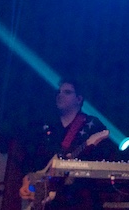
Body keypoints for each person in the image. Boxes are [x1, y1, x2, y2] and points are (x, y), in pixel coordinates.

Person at [19, 79, 113, 209]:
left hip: (78, 199)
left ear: (79, 99)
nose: (60, 95)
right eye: (59, 92)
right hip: (46, 202)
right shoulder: (45, 125)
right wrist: (27, 183)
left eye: (67, 92)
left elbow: (105, 160)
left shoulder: (91, 125)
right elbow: (30, 157)